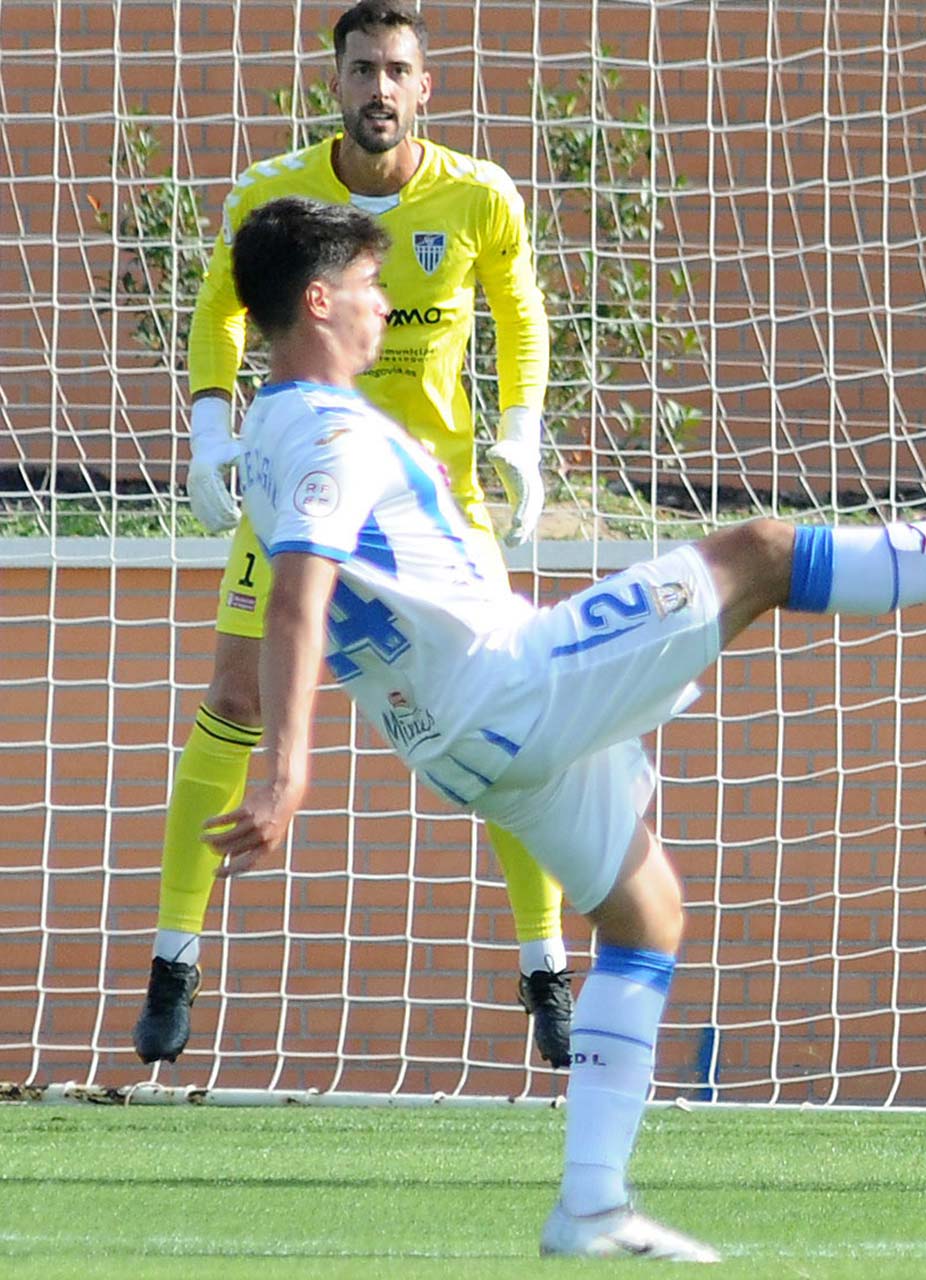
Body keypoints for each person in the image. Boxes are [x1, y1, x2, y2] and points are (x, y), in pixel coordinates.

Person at [207, 193, 926, 1258]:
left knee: (646, 915)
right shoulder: (329, 431)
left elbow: (306, 585)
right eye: (369, 289)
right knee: (758, 550)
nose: (385, 309)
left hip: (459, 738)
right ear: (316, 298)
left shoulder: (271, 428)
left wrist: (265, 690)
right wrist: (284, 769)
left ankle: (590, 1202)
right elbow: (297, 596)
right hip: (510, 687)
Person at [135, 0, 571, 1069]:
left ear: (427, 88)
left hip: (432, 503)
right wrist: (206, 429)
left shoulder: (479, 196)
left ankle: (547, 968)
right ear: (333, 84)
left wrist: (519, 433)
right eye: (363, 69)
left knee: (503, 717)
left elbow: (521, 315)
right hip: (297, 482)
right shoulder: (274, 196)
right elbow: (218, 308)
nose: (380, 87)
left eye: (398, 71)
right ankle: (173, 958)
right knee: (235, 698)